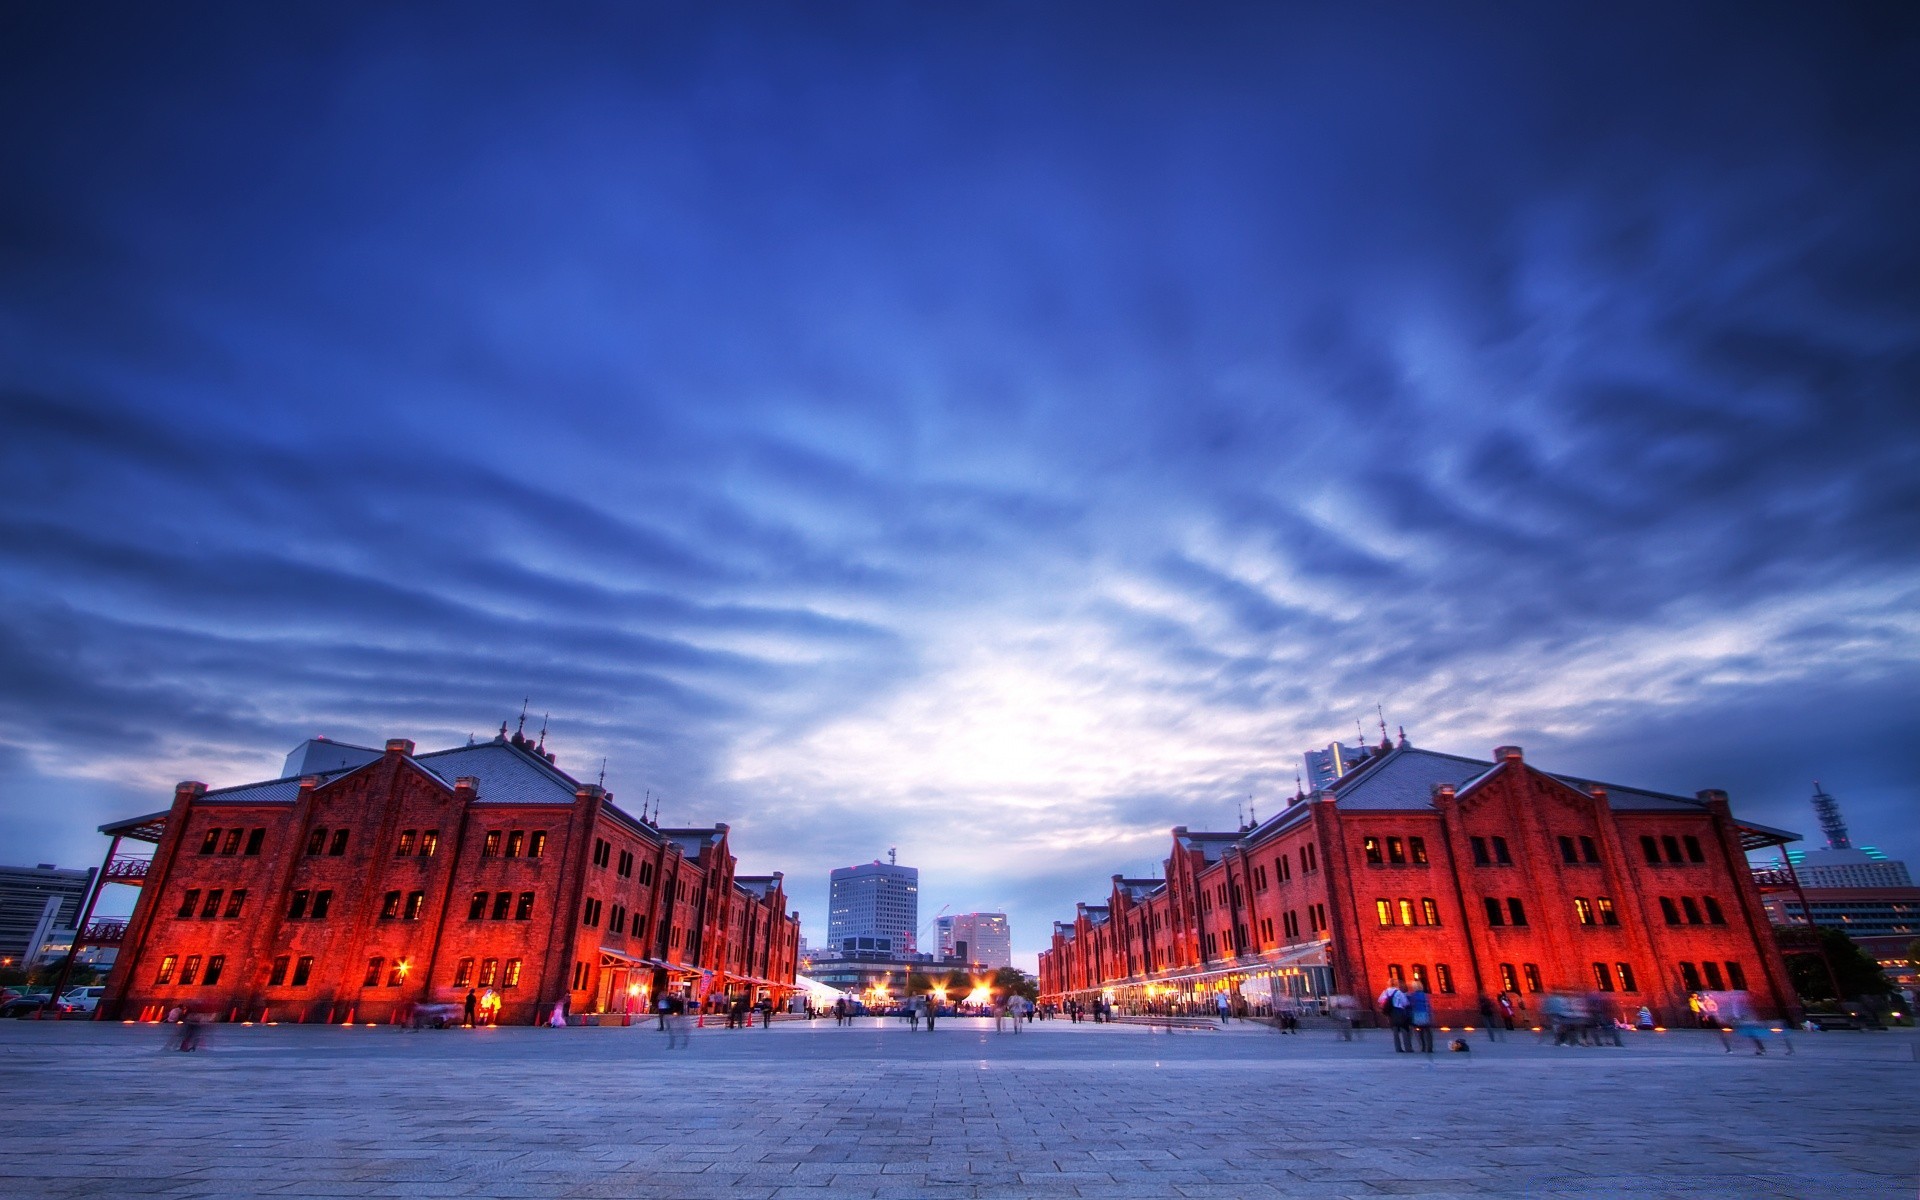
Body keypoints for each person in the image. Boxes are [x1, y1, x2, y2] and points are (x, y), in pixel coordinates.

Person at [1377, 982, 1412, 1052]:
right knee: (1404, 1029)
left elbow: (1379, 1000)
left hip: (1391, 1013)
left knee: (1395, 1031)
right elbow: (1405, 1002)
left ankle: (1398, 1048)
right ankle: (1407, 1047)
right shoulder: (1398, 992)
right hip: (1399, 1011)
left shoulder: (1385, 992)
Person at [1407, 982, 1433, 1054]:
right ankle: (1430, 1047)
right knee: (1428, 1032)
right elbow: (1428, 1006)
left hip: (1416, 1015)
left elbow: (1410, 1006)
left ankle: (1423, 1046)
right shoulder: (1425, 995)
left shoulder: (1412, 996)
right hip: (1425, 1015)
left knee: (1419, 1032)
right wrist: (1430, 1015)